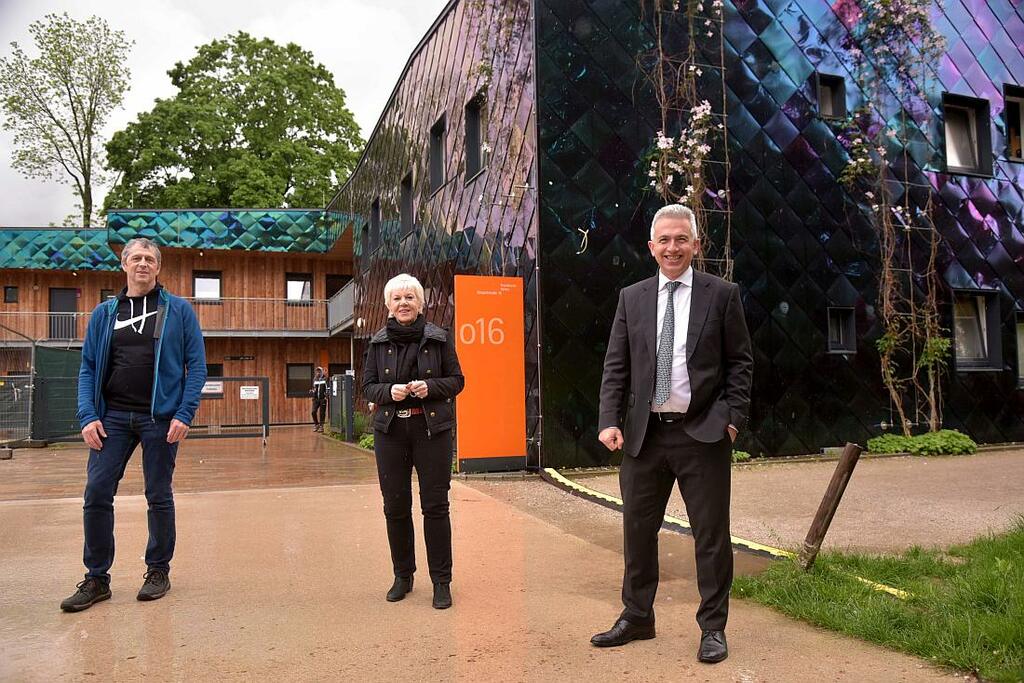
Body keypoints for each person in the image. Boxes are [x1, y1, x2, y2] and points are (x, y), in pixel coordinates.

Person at [591, 205, 753, 663]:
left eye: (681, 239)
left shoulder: (722, 294)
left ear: (696, 245)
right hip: (644, 436)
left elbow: (741, 362)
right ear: (651, 247)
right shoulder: (632, 297)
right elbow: (615, 365)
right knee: (637, 531)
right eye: (664, 240)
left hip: (703, 433)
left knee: (711, 536)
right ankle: (638, 615)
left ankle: (713, 627)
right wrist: (609, 419)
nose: (672, 247)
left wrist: (732, 418)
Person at [61, 237, 206, 612]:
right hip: (111, 418)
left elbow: (197, 367)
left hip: (160, 418)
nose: (143, 264)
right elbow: (88, 368)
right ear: (124, 265)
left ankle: (158, 570)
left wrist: (183, 414)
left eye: (150, 259)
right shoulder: (104, 313)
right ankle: (97, 578)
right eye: (136, 258)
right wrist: (88, 416)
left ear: (158, 268)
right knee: (96, 491)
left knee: (158, 494)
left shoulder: (178, 311)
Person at [362, 273, 464, 610]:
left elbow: (457, 381)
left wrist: (430, 388)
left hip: (431, 430)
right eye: (397, 298)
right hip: (390, 431)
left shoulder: (439, 338)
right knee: (395, 506)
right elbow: (367, 387)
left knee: (435, 506)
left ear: (420, 303)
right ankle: (403, 576)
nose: (403, 303)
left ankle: (441, 581)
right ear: (388, 305)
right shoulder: (377, 342)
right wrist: (387, 393)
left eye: (409, 297)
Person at [311, 366, 328, 432]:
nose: (318, 372)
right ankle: (316, 424)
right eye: (317, 371)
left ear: (321, 372)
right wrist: (313, 393)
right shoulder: (315, 379)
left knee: (322, 413)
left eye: (319, 371)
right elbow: (314, 388)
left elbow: (328, 388)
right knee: (313, 412)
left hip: (322, 399)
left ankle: (321, 426)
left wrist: (326, 396)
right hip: (315, 399)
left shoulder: (325, 379)